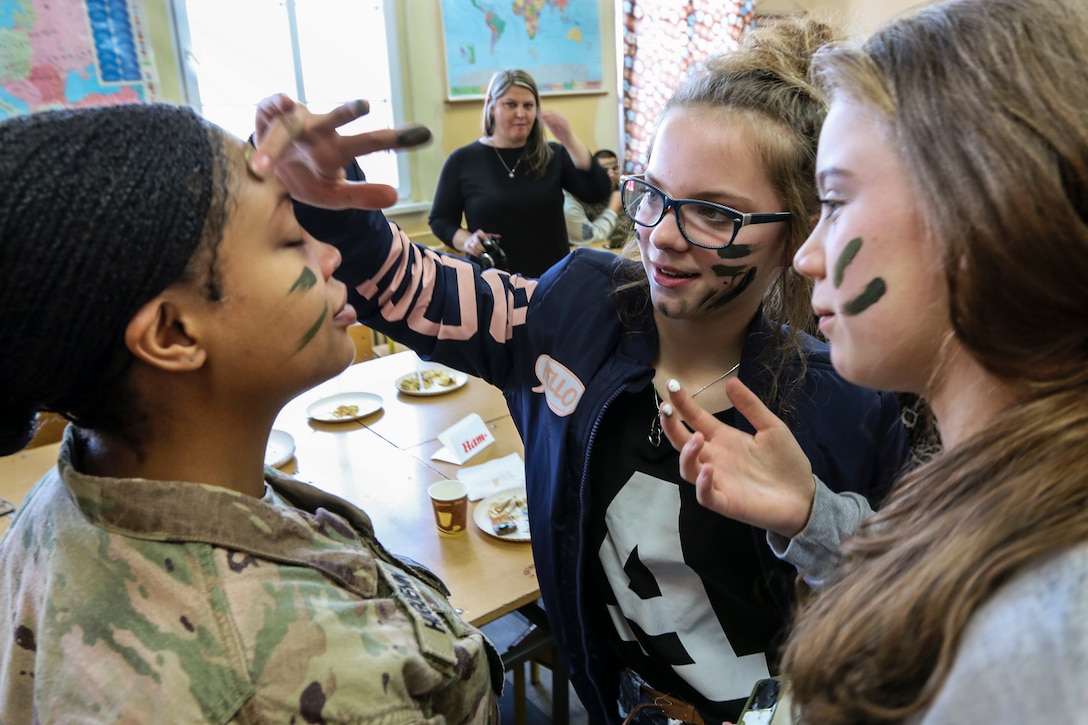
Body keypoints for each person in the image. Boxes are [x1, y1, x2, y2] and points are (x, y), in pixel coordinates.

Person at [253, 16, 910, 725]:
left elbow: (908, 614)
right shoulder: (575, 310)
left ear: (798, 231)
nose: (660, 235)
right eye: (652, 193)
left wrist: (813, 514)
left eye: (715, 214)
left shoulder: (847, 401)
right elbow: (421, 292)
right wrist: (332, 204)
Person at [0, 103, 502, 722]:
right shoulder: (297, 682)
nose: (329, 256)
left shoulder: (76, 490)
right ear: (172, 335)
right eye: (292, 238)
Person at [659, 0, 1088, 721]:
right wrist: (812, 515)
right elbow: (935, 586)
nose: (807, 254)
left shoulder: (1044, 639)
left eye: (834, 199)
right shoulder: (1001, 472)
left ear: (982, 209)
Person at [428, 68, 612, 276]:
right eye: (510, 104)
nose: (521, 114)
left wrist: (569, 139)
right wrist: (467, 240)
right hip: (493, 283)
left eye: (528, 106)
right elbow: (440, 220)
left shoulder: (553, 154)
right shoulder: (462, 160)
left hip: (549, 280)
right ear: (491, 105)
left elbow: (597, 191)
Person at [563, 149, 633, 248]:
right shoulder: (586, 199)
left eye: (615, 168)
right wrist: (612, 208)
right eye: (604, 171)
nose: (611, 174)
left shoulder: (629, 194)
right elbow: (591, 236)